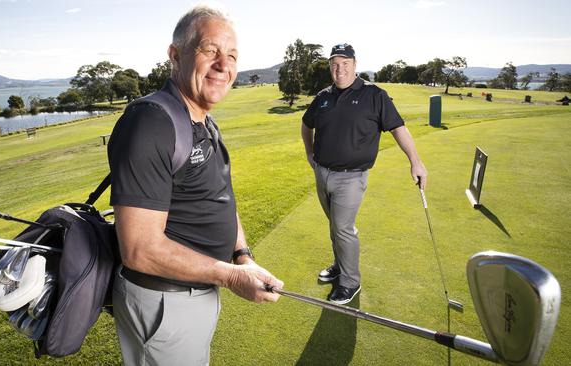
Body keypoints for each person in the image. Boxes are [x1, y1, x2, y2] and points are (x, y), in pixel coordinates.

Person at [107, 6, 283, 365]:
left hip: (197, 291)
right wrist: (231, 276)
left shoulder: (202, 120)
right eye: (210, 50)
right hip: (164, 303)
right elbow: (140, 249)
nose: (223, 65)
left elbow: (218, 197)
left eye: (231, 55)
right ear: (175, 55)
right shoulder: (151, 123)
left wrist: (242, 257)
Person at [301, 43, 427, 305]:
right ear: (330, 68)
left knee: (343, 228)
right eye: (335, 64)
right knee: (335, 225)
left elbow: (398, 129)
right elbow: (306, 124)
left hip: (351, 177)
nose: (340, 69)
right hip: (322, 173)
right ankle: (340, 265)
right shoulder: (323, 97)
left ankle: (350, 282)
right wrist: (309, 153)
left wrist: (415, 162)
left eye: (345, 64)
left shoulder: (374, 95)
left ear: (355, 65)